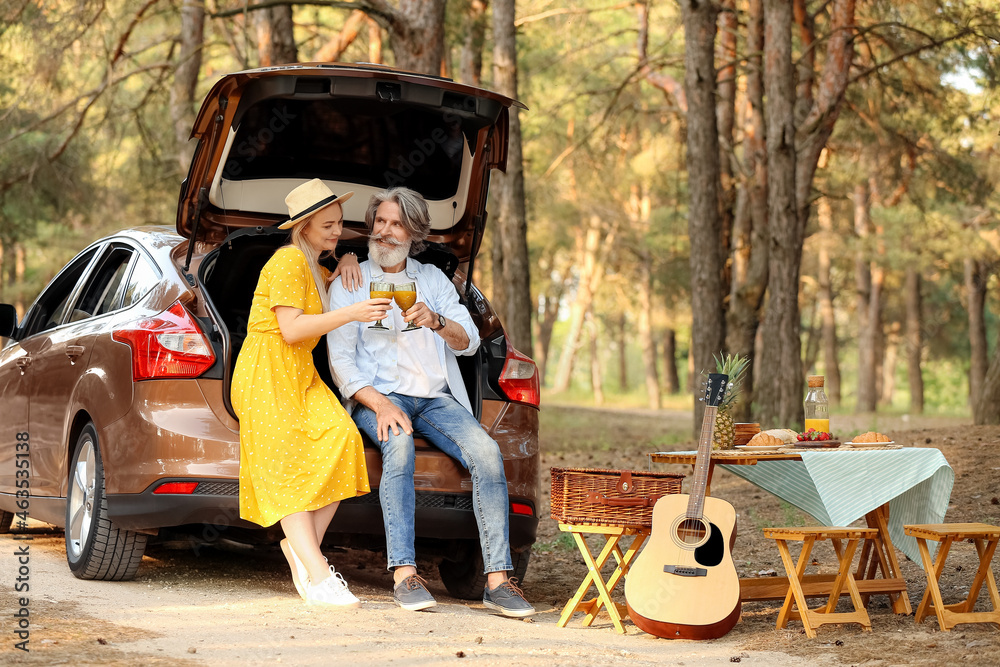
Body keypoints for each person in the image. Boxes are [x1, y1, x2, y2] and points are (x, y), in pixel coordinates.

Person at [326, 187, 536, 618]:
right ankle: (404, 574)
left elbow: (469, 341)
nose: (385, 232)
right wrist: (381, 405)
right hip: (378, 396)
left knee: (487, 453)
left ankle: (497, 582)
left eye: (396, 224)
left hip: (435, 399)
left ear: (413, 234)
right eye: (380, 222)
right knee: (398, 446)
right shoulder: (351, 280)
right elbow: (341, 364)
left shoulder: (433, 281)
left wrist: (437, 321)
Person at [231, 178, 390, 608]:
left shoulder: (311, 264)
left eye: (339, 224)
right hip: (267, 371)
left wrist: (349, 258)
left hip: (299, 373)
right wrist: (351, 312)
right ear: (302, 227)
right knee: (284, 467)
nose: (336, 232)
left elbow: (330, 278)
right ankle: (318, 574)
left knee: (342, 441)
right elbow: (291, 328)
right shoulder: (287, 262)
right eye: (327, 226)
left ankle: (301, 550)